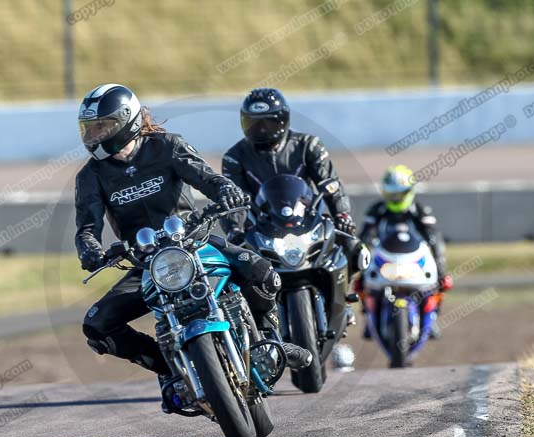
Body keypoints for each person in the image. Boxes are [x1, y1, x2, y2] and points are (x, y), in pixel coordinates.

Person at [74, 83, 310, 412]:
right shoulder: (91, 176)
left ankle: (271, 342)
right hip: (147, 263)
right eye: (90, 128)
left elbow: (208, 178)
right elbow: (87, 226)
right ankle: (168, 368)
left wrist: (226, 191)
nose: (95, 135)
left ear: (126, 122)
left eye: (103, 126)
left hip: (194, 242)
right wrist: (88, 247)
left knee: (263, 273)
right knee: (96, 325)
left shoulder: (167, 146)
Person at [220, 87, 370, 277]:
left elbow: (331, 182)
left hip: (308, 221)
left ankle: (344, 301)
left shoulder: (308, 145)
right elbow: (233, 197)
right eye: (254, 124)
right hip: (263, 228)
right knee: (234, 269)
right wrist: (234, 228)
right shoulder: (234, 157)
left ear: (282, 121)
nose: (261, 130)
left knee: (353, 249)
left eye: (268, 123)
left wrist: (342, 215)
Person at [358, 164, 453, 338]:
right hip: (384, 259)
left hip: (414, 260)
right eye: (391, 194)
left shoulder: (420, 210)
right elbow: (365, 235)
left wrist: (441, 269)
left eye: (399, 194)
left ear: (409, 192)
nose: (394, 198)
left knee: (437, 284)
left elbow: (434, 237)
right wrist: (362, 254)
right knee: (362, 282)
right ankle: (369, 319)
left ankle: (431, 320)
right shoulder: (377, 210)